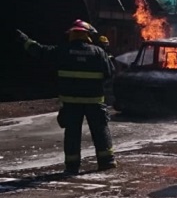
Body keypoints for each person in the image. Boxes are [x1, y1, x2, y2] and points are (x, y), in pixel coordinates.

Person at [16, 20, 116, 175]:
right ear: (87, 35)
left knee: (72, 133)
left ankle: (72, 166)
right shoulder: (98, 52)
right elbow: (110, 72)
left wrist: (25, 40)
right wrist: (105, 54)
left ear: (72, 34)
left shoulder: (62, 51)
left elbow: (40, 51)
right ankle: (107, 162)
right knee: (100, 130)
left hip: (71, 101)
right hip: (94, 101)